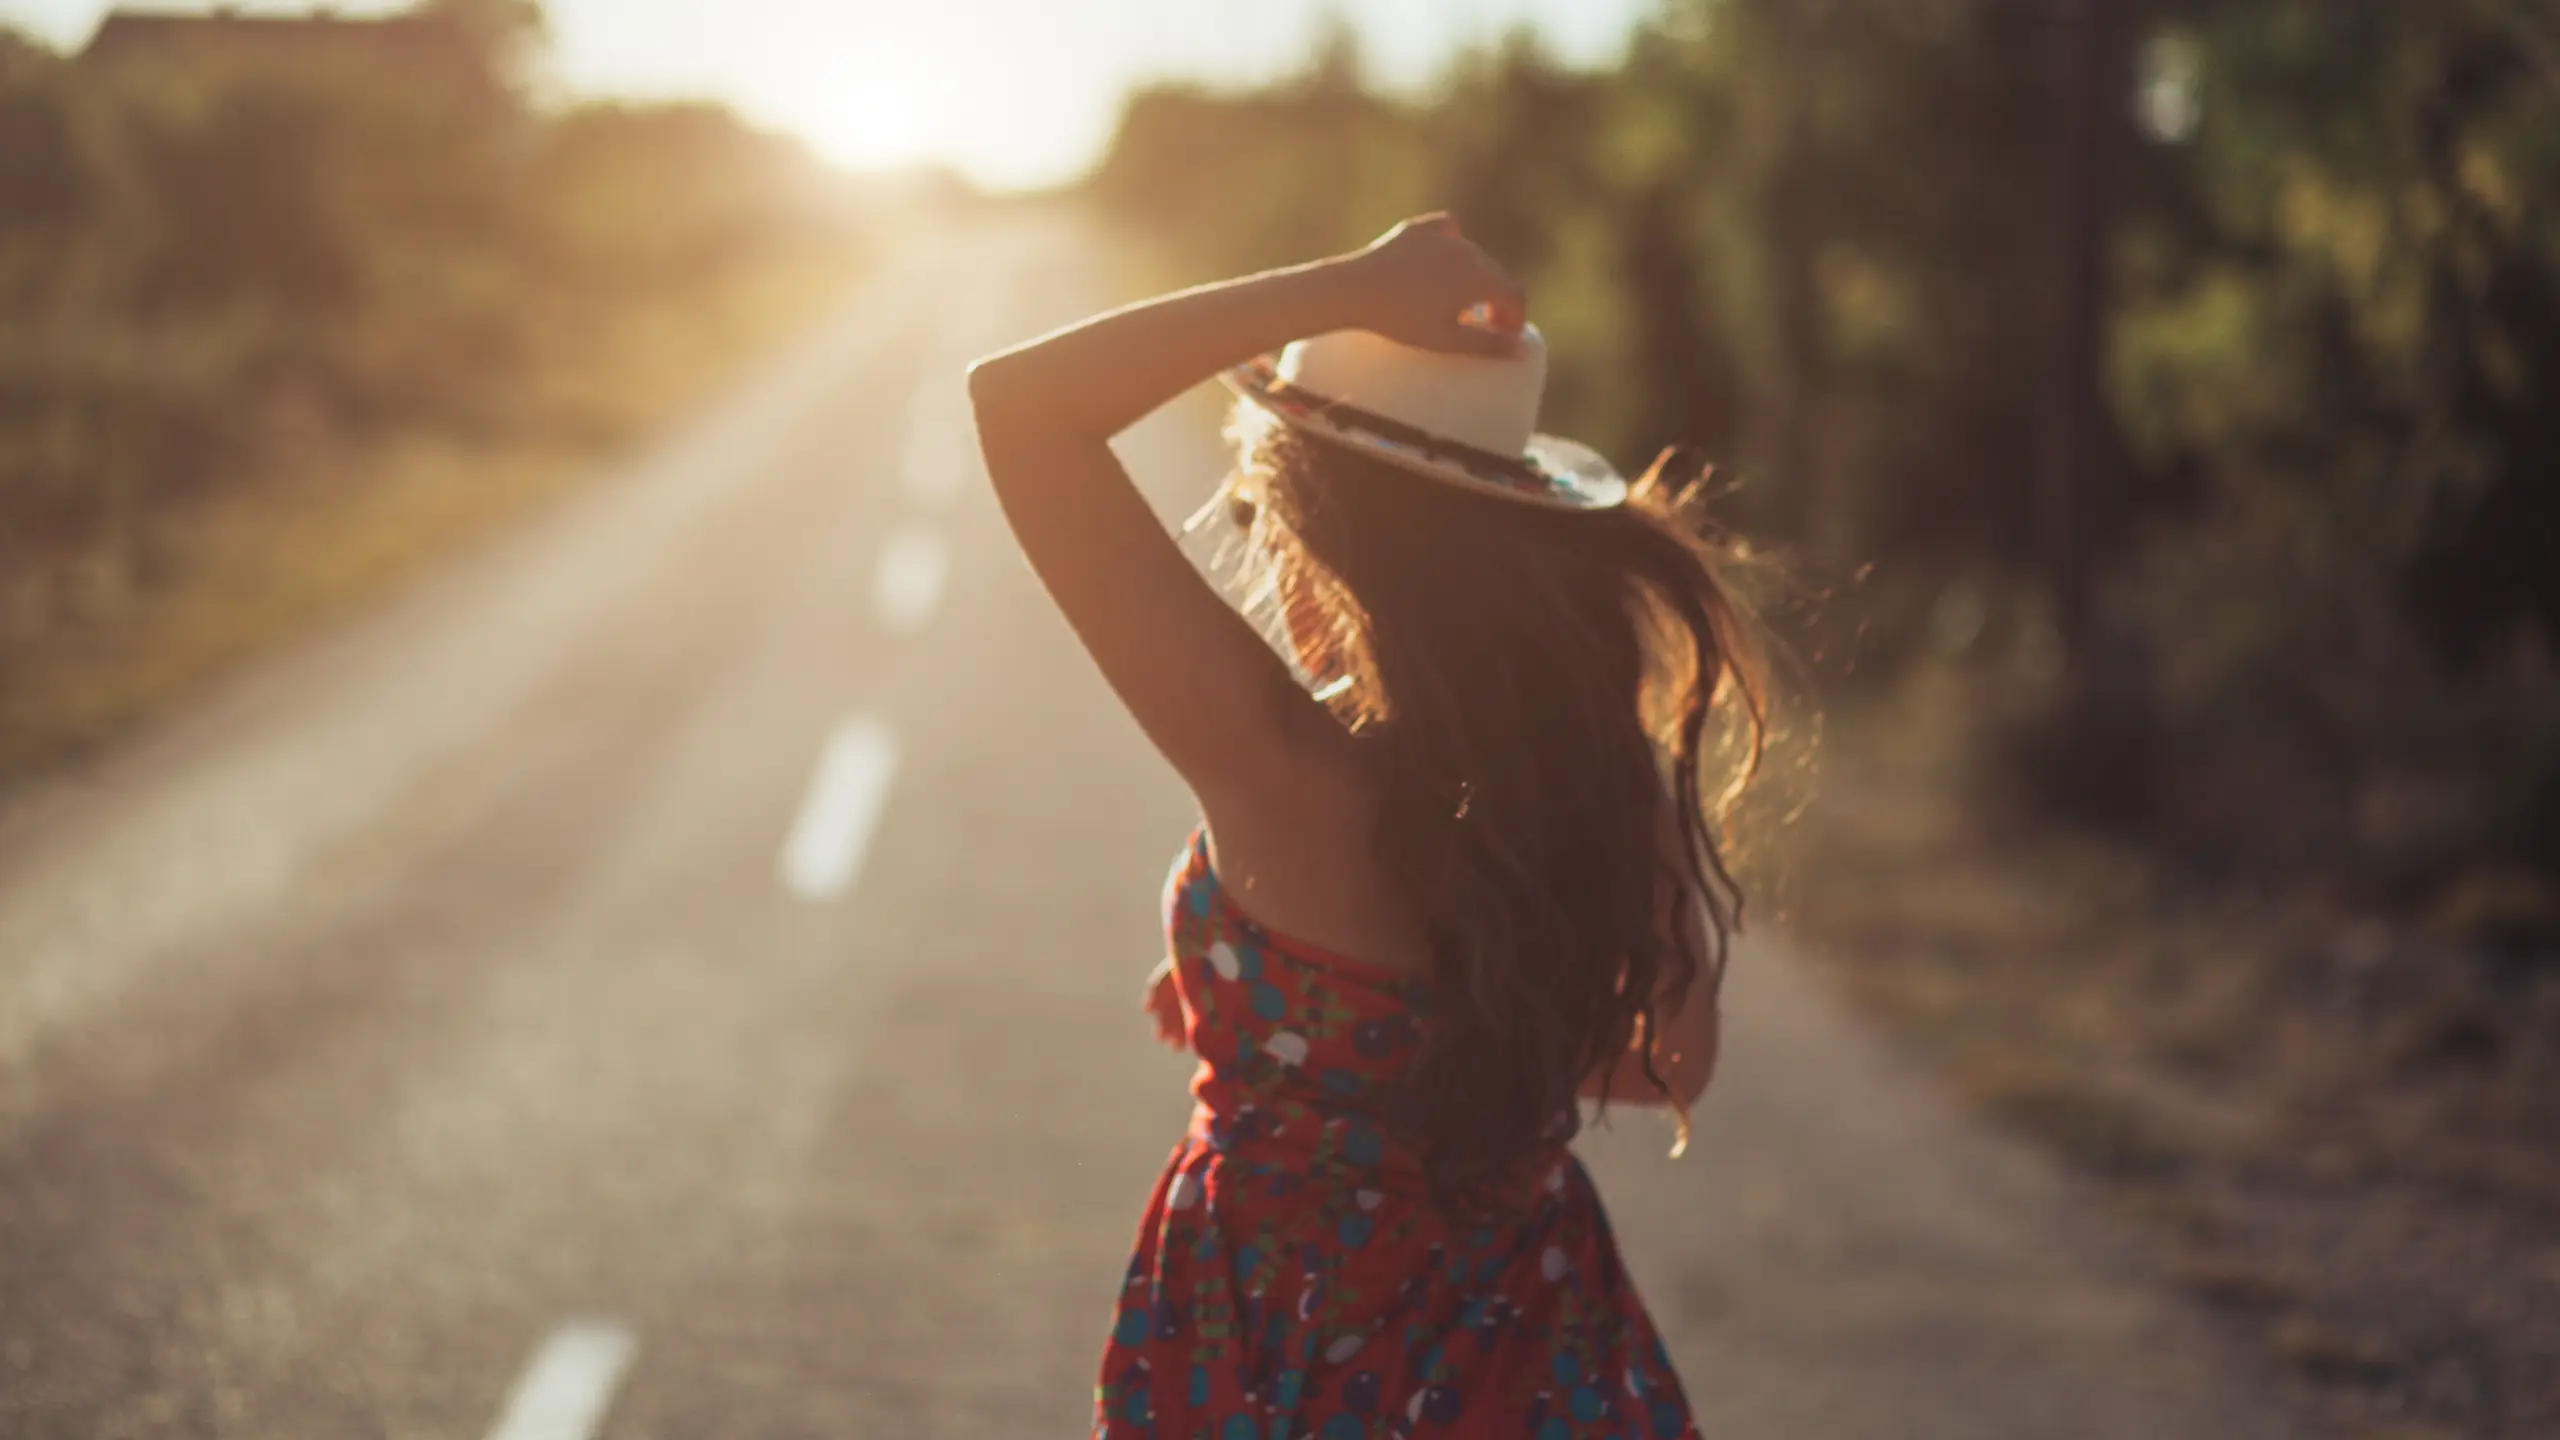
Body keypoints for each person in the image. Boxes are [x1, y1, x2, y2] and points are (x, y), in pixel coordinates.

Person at [968, 213, 1762, 1440]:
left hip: (1282, 1344)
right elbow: (1673, 1065)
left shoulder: (1284, 773)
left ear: (1313, 536)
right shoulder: (1601, 775)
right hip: (1540, 1357)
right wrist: (1388, 1047)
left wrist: (1352, 286)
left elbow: (1019, 404)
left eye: (1255, 512)